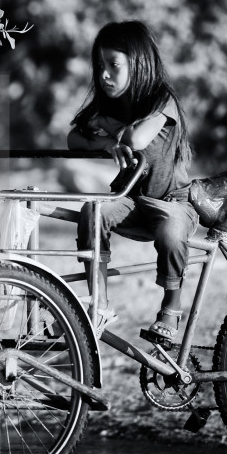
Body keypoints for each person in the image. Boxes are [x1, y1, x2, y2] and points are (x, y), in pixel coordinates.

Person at [65, 20, 198, 344]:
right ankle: (100, 303)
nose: (105, 74)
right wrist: (107, 144)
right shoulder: (108, 103)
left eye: (114, 65)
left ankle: (171, 305)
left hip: (173, 201)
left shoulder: (161, 99)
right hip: (130, 199)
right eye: (100, 66)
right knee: (92, 213)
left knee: (170, 230)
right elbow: (74, 139)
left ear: (139, 65)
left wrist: (106, 125)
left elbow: (137, 138)